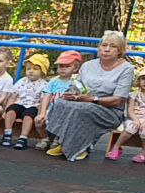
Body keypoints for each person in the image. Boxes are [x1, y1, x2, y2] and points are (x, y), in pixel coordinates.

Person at [45, 31, 136, 161]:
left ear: (120, 51)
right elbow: (77, 87)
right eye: (104, 45)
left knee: (81, 109)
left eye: (112, 46)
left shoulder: (127, 69)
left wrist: (93, 99)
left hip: (109, 110)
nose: (107, 49)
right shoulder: (88, 65)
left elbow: (118, 100)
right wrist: (72, 94)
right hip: (83, 100)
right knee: (60, 103)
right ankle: (62, 141)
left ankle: (78, 147)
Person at [35, 50, 83, 150]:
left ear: (75, 68)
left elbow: (81, 97)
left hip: (66, 111)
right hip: (52, 109)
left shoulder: (76, 82)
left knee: (64, 121)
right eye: (61, 66)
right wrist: (42, 113)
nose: (63, 69)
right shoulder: (54, 81)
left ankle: (57, 140)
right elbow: (46, 96)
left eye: (67, 66)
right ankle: (44, 138)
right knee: (39, 120)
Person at [2, 53, 49, 149]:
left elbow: (43, 101)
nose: (31, 71)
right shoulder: (21, 81)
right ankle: (7, 133)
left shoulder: (44, 85)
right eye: (28, 69)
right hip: (20, 104)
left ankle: (23, 138)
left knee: (28, 116)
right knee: (11, 110)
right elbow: (13, 96)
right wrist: (5, 110)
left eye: (35, 69)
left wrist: (40, 114)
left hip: (33, 106)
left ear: (43, 72)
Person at [104, 68, 145, 163]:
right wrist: (136, 120)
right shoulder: (134, 95)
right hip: (134, 118)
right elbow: (130, 110)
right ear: (139, 81)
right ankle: (116, 147)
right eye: (143, 79)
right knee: (131, 127)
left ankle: (143, 152)